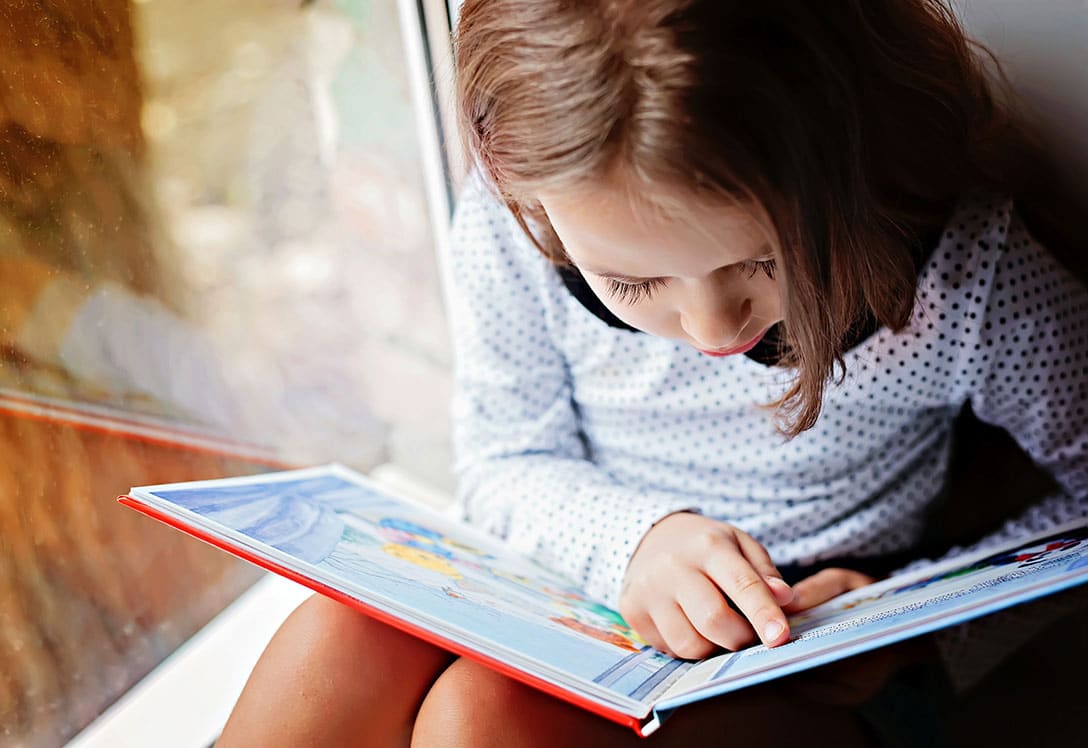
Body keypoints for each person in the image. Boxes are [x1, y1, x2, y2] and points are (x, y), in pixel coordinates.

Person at [216, 1, 1088, 745]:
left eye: (764, 260)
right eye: (632, 282)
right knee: (345, 634)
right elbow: (502, 462)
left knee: (484, 722)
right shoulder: (519, 225)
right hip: (578, 594)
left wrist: (911, 626)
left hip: (814, 668)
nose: (713, 326)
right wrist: (636, 542)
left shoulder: (966, 278)